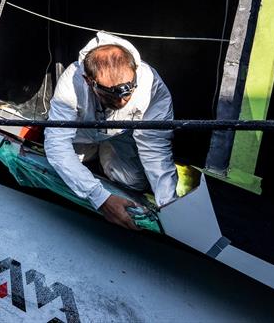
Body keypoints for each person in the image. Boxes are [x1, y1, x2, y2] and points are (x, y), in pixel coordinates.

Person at [44, 32, 178, 230]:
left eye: (129, 89)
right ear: (89, 81)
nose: (123, 100)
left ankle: (104, 160)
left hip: (119, 137)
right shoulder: (71, 83)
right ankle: (93, 164)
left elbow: (155, 148)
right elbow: (57, 146)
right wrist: (100, 198)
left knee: (133, 182)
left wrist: (169, 206)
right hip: (81, 138)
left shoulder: (152, 85)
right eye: (111, 93)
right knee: (61, 168)